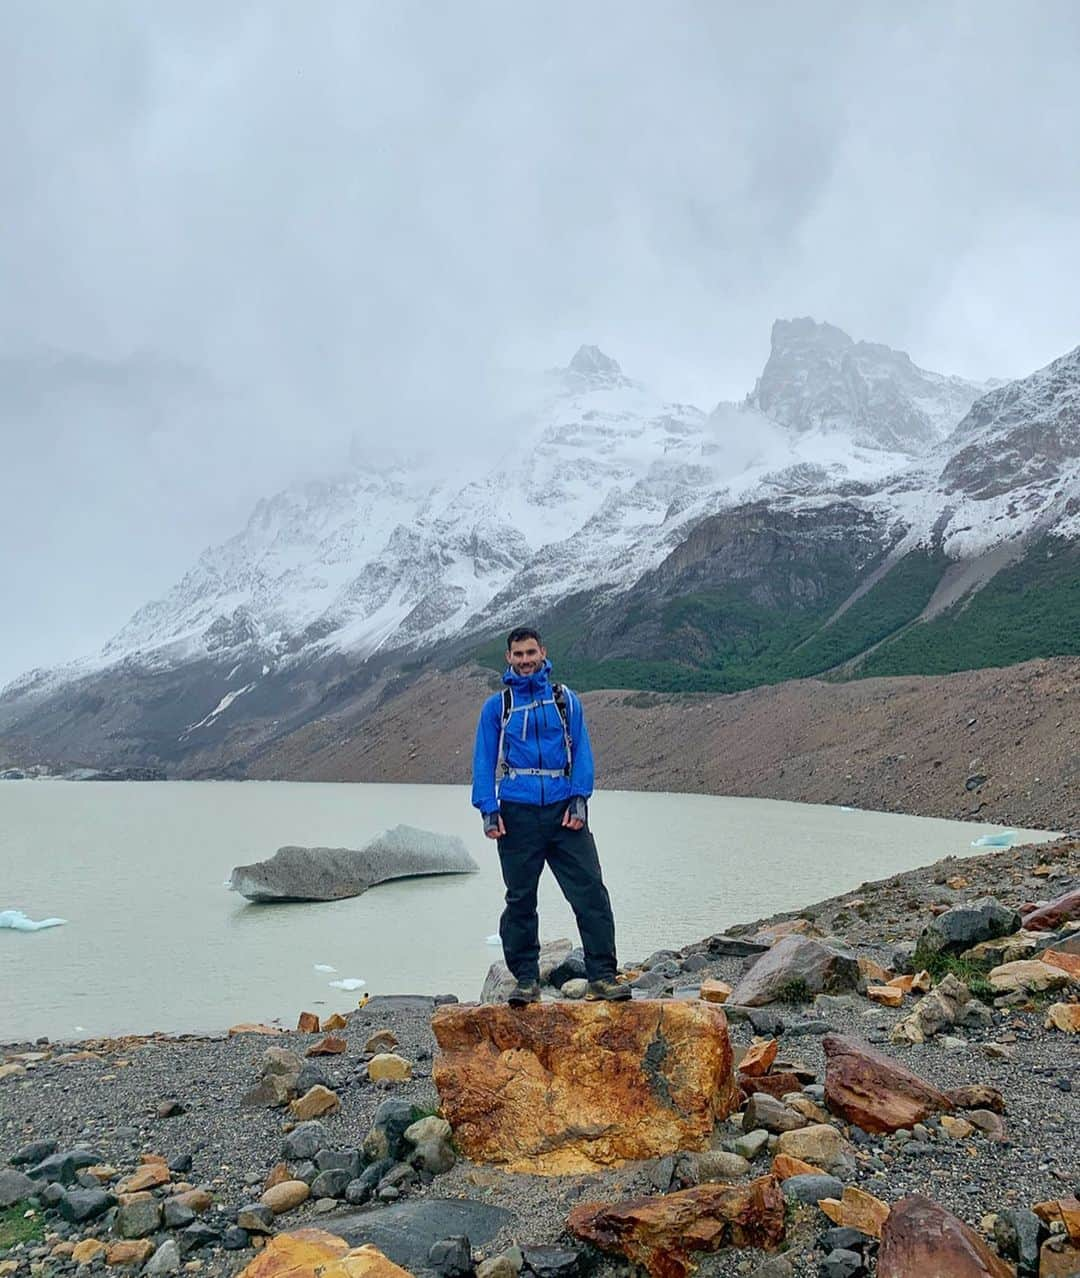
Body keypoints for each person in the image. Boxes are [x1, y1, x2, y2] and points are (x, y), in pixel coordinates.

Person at [471, 625, 629, 1005]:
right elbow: (483, 758)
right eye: (518, 655)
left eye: (531, 653)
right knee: (521, 899)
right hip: (517, 812)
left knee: (591, 892)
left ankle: (603, 977)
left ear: (542, 652)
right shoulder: (499, 707)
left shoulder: (566, 701)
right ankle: (526, 980)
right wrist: (488, 809)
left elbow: (583, 751)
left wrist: (580, 798)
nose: (525, 661)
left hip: (564, 812)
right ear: (508, 658)